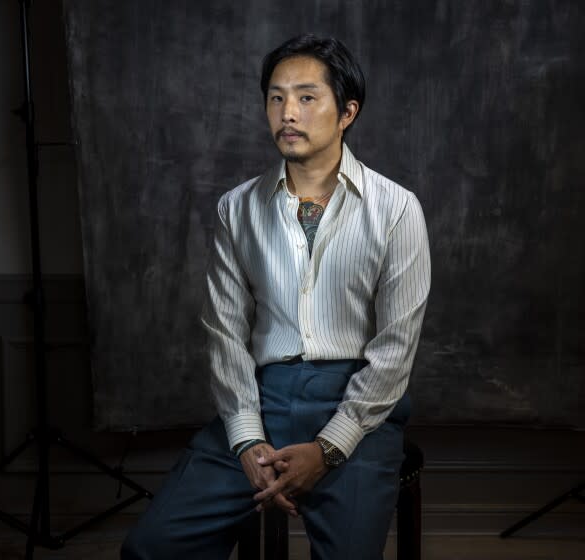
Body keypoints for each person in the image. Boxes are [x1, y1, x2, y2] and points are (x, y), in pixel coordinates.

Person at [122, 33, 431, 560]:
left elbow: (396, 348)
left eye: (307, 97)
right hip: (260, 399)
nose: (288, 112)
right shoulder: (236, 209)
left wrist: (329, 447)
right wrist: (245, 439)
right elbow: (224, 332)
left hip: (358, 404)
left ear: (347, 111)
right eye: (276, 97)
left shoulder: (397, 209)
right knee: (151, 548)